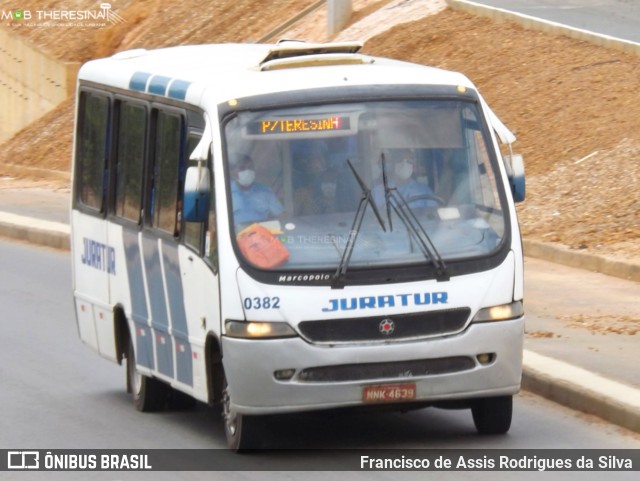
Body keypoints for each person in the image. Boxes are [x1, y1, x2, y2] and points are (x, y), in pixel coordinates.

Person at [372, 149, 438, 209]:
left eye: (409, 161)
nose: (404, 164)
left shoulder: (424, 191)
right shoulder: (378, 191)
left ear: (413, 166)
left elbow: (433, 217)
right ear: (393, 163)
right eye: (400, 160)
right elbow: (370, 217)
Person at [230, 154, 284, 224]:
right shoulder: (225, 193)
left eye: (250, 168)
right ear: (232, 173)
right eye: (242, 168)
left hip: (262, 233)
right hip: (235, 234)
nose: (247, 171)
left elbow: (282, 215)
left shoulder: (265, 191)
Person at [294, 143, 339, 216]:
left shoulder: (338, 180)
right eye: (311, 159)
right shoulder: (301, 189)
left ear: (326, 161)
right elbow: (292, 217)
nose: (315, 163)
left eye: (318, 158)